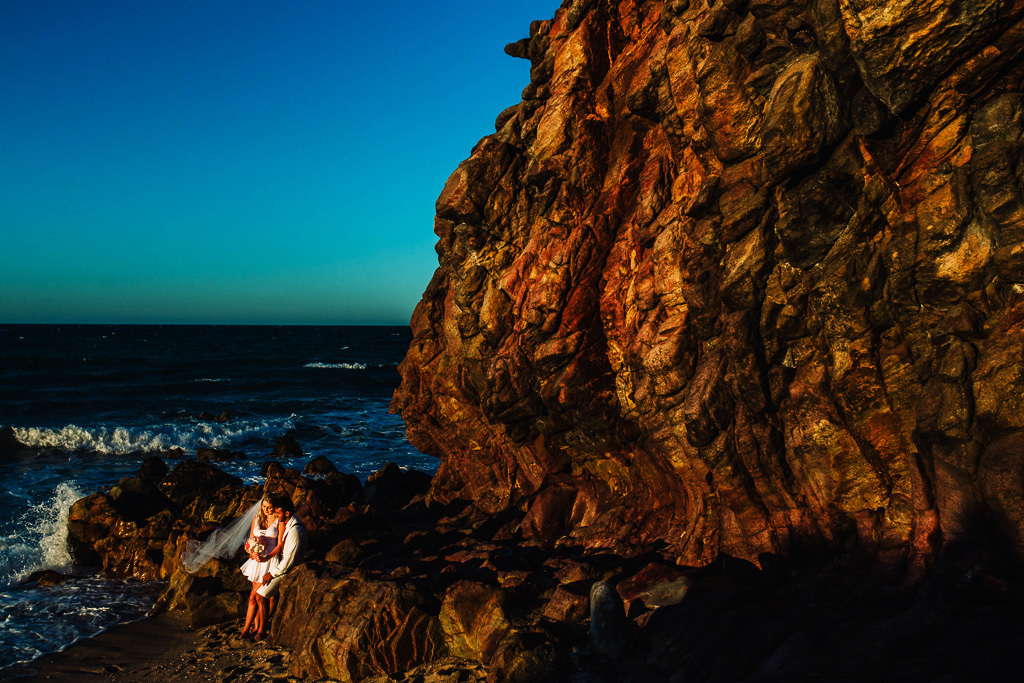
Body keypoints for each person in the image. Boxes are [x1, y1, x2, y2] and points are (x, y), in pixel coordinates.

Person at [254, 493, 307, 638]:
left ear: (287, 513)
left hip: (289, 570)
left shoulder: (296, 531)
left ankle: (262, 630)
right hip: (284, 567)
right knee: (261, 596)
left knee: (260, 596)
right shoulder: (291, 524)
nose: (276, 515)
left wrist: (271, 573)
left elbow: (289, 561)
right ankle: (264, 623)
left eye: (278, 513)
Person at [238, 496, 286, 638]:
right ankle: (256, 628)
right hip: (256, 562)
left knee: (256, 596)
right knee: (257, 597)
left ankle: (250, 629)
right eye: (264, 506)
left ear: (274, 507)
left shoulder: (279, 521)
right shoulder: (257, 519)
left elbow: (280, 545)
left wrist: (267, 557)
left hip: (269, 561)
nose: (265, 509)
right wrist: (251, 552)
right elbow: (250, 540)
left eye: (269, 507)